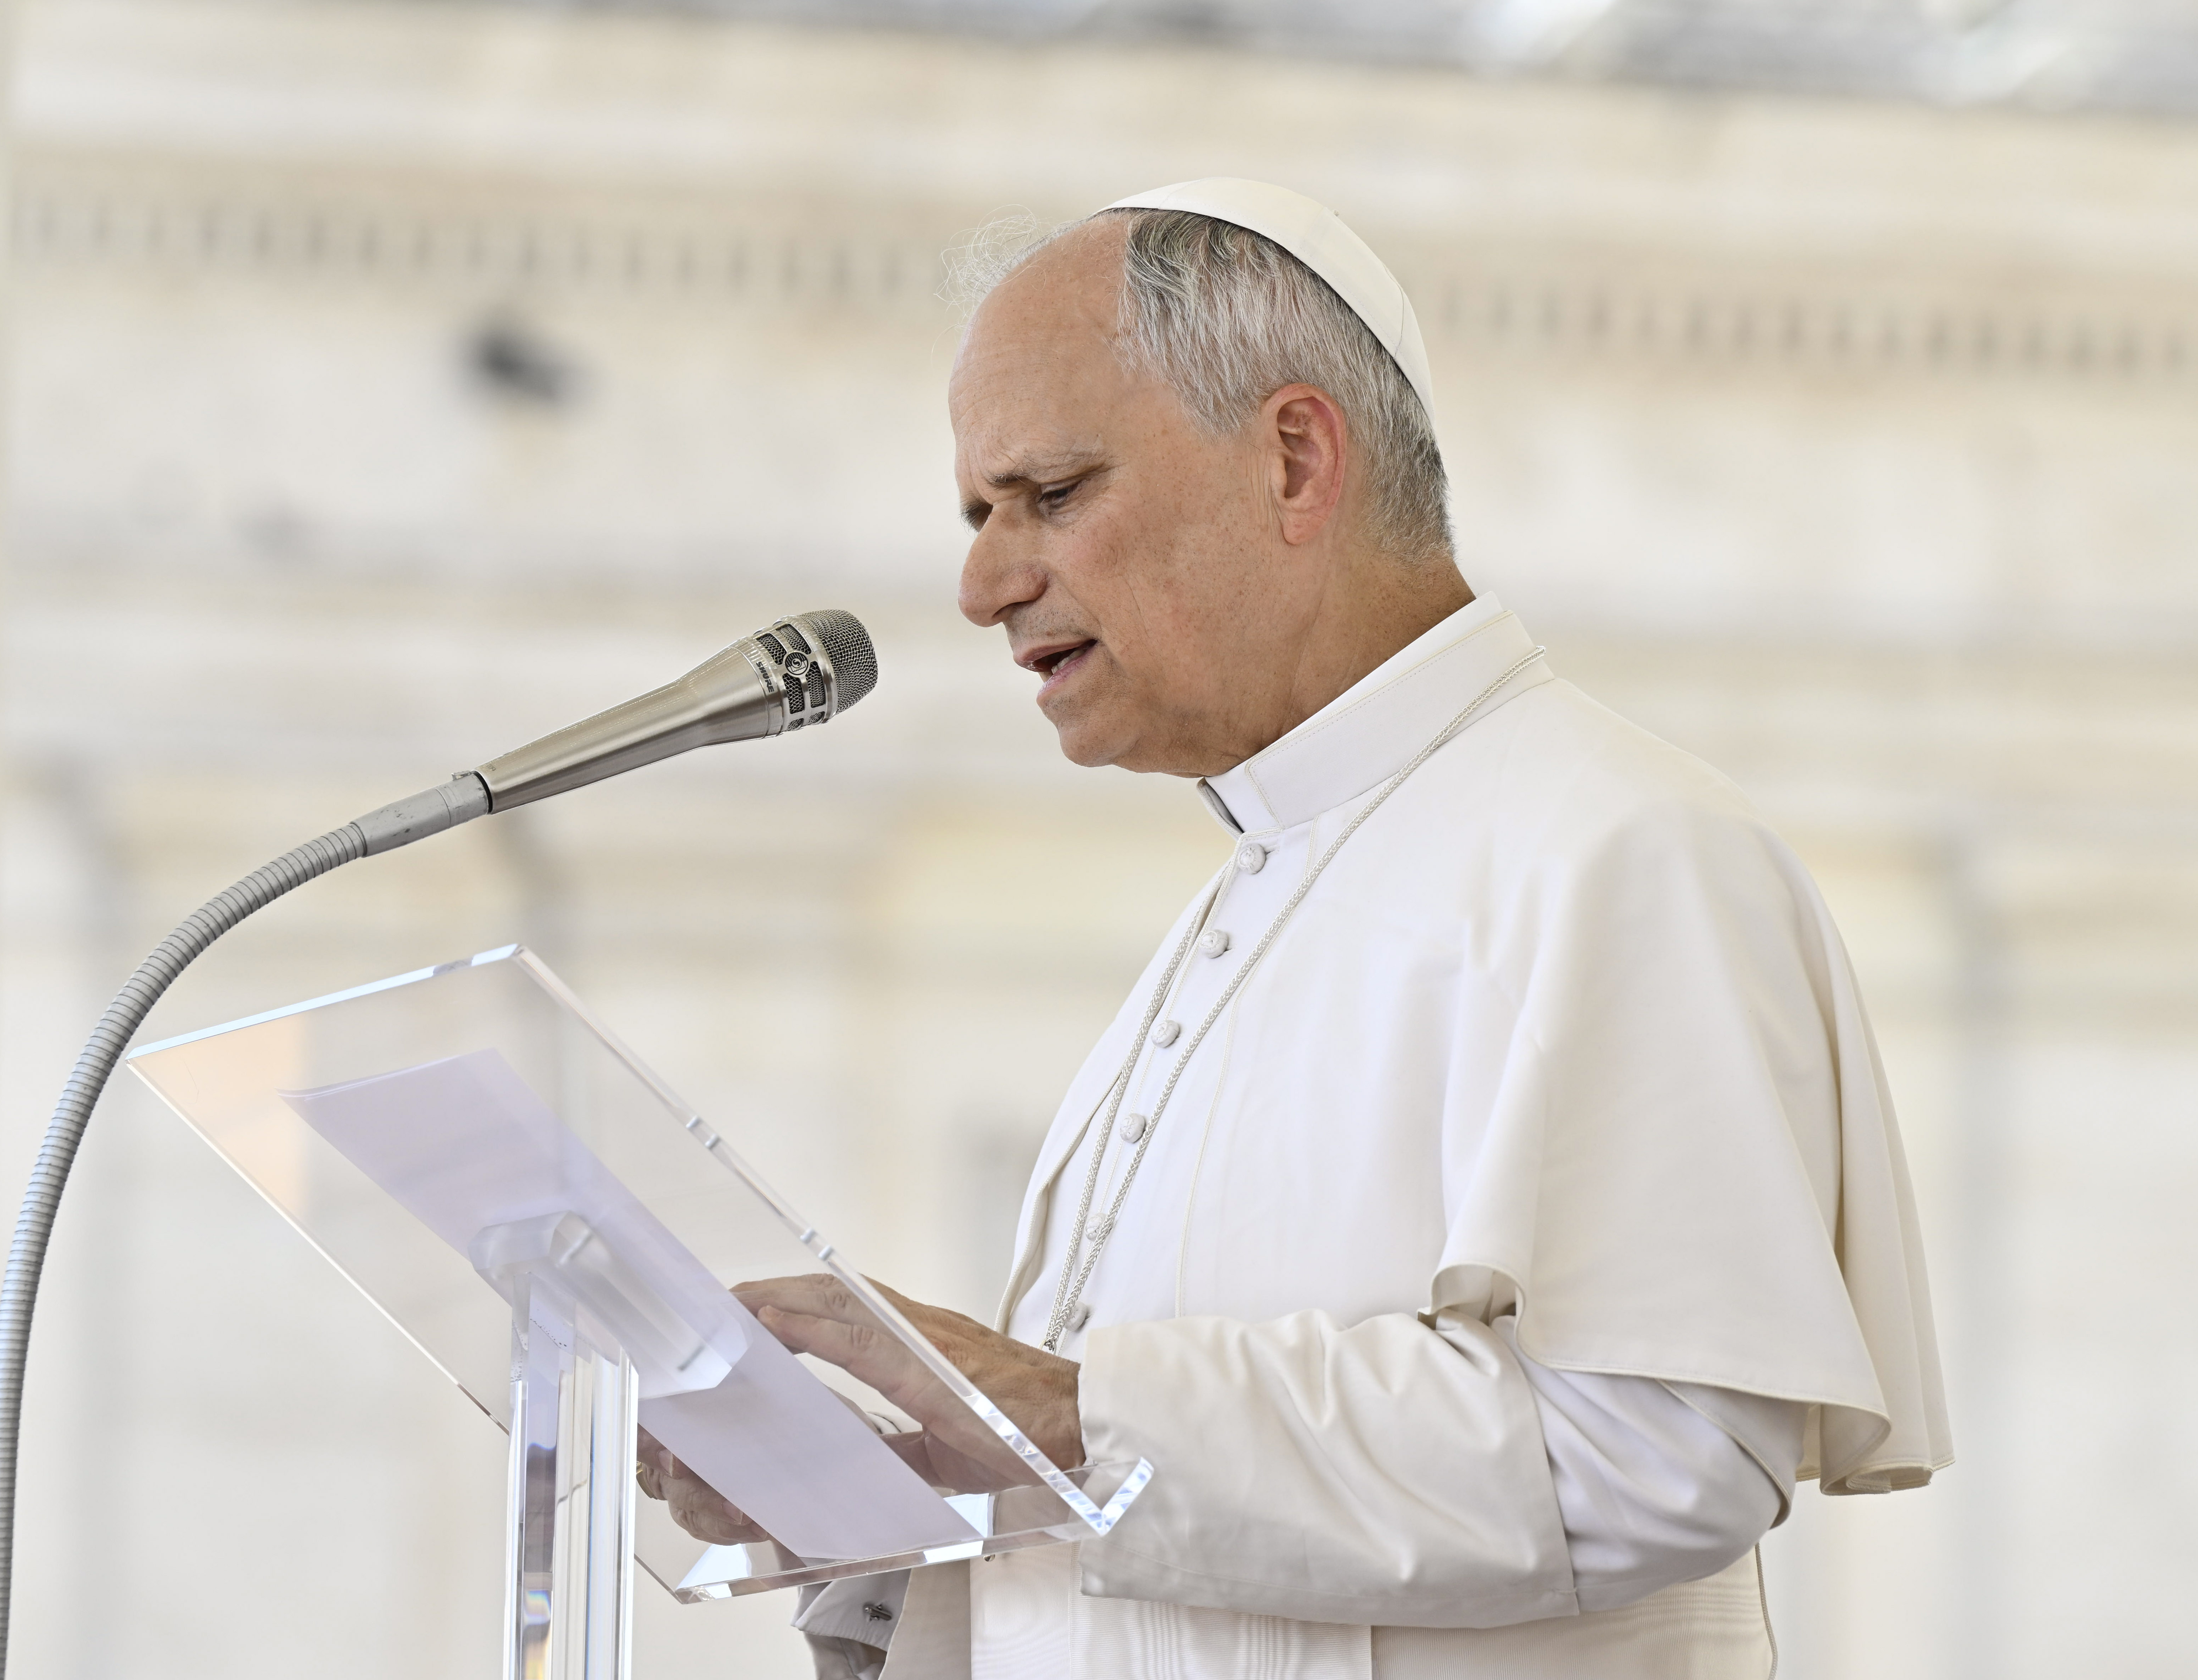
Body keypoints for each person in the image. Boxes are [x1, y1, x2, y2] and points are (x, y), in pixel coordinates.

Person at [684, 178, 1950, 1679]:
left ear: (1292, 459)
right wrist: (898, 1506)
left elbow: (1656, 1457)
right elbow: (1165, 1523)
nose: (982, 584)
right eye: (978, 515)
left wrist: (1069, 1413)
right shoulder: (1253, 890)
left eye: (1050, 495)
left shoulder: (1620, 845)